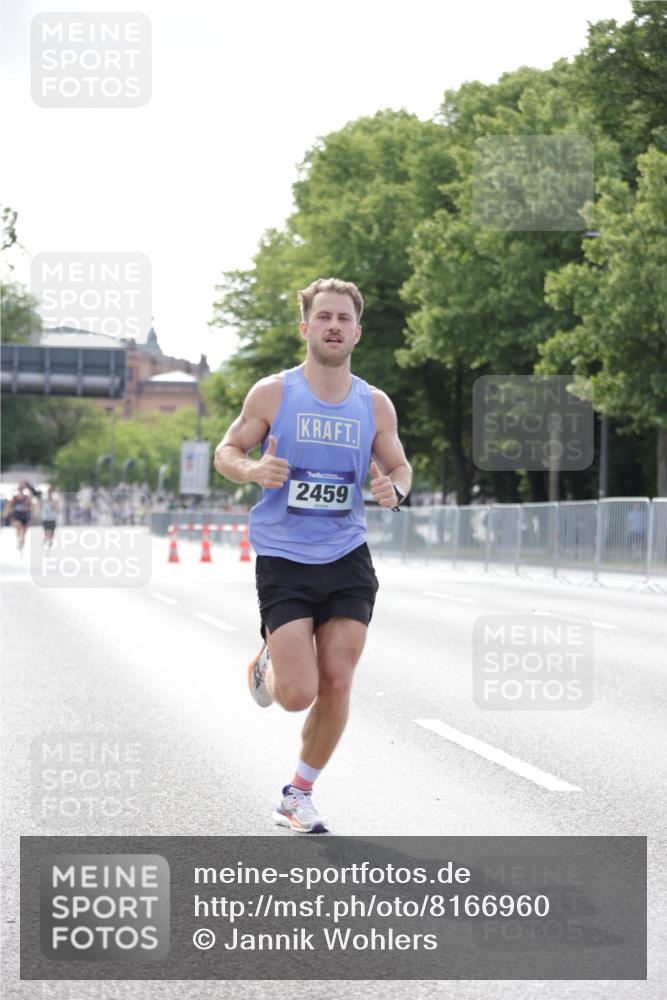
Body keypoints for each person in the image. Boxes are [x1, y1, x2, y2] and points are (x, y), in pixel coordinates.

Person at [214, 277, 412, 834]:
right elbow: (226, 451)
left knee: (340, 680)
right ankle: (270, 661)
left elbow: (399, 467)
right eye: (323, 317)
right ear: (306, 328)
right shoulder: (274, 393)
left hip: (347, 554)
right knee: (298, 695)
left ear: (357, 331)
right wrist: (252, 469)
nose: (333, 326)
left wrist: (395, 488)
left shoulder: (373, 404)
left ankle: (297, 795)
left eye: (343, 319)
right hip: (284, 556)